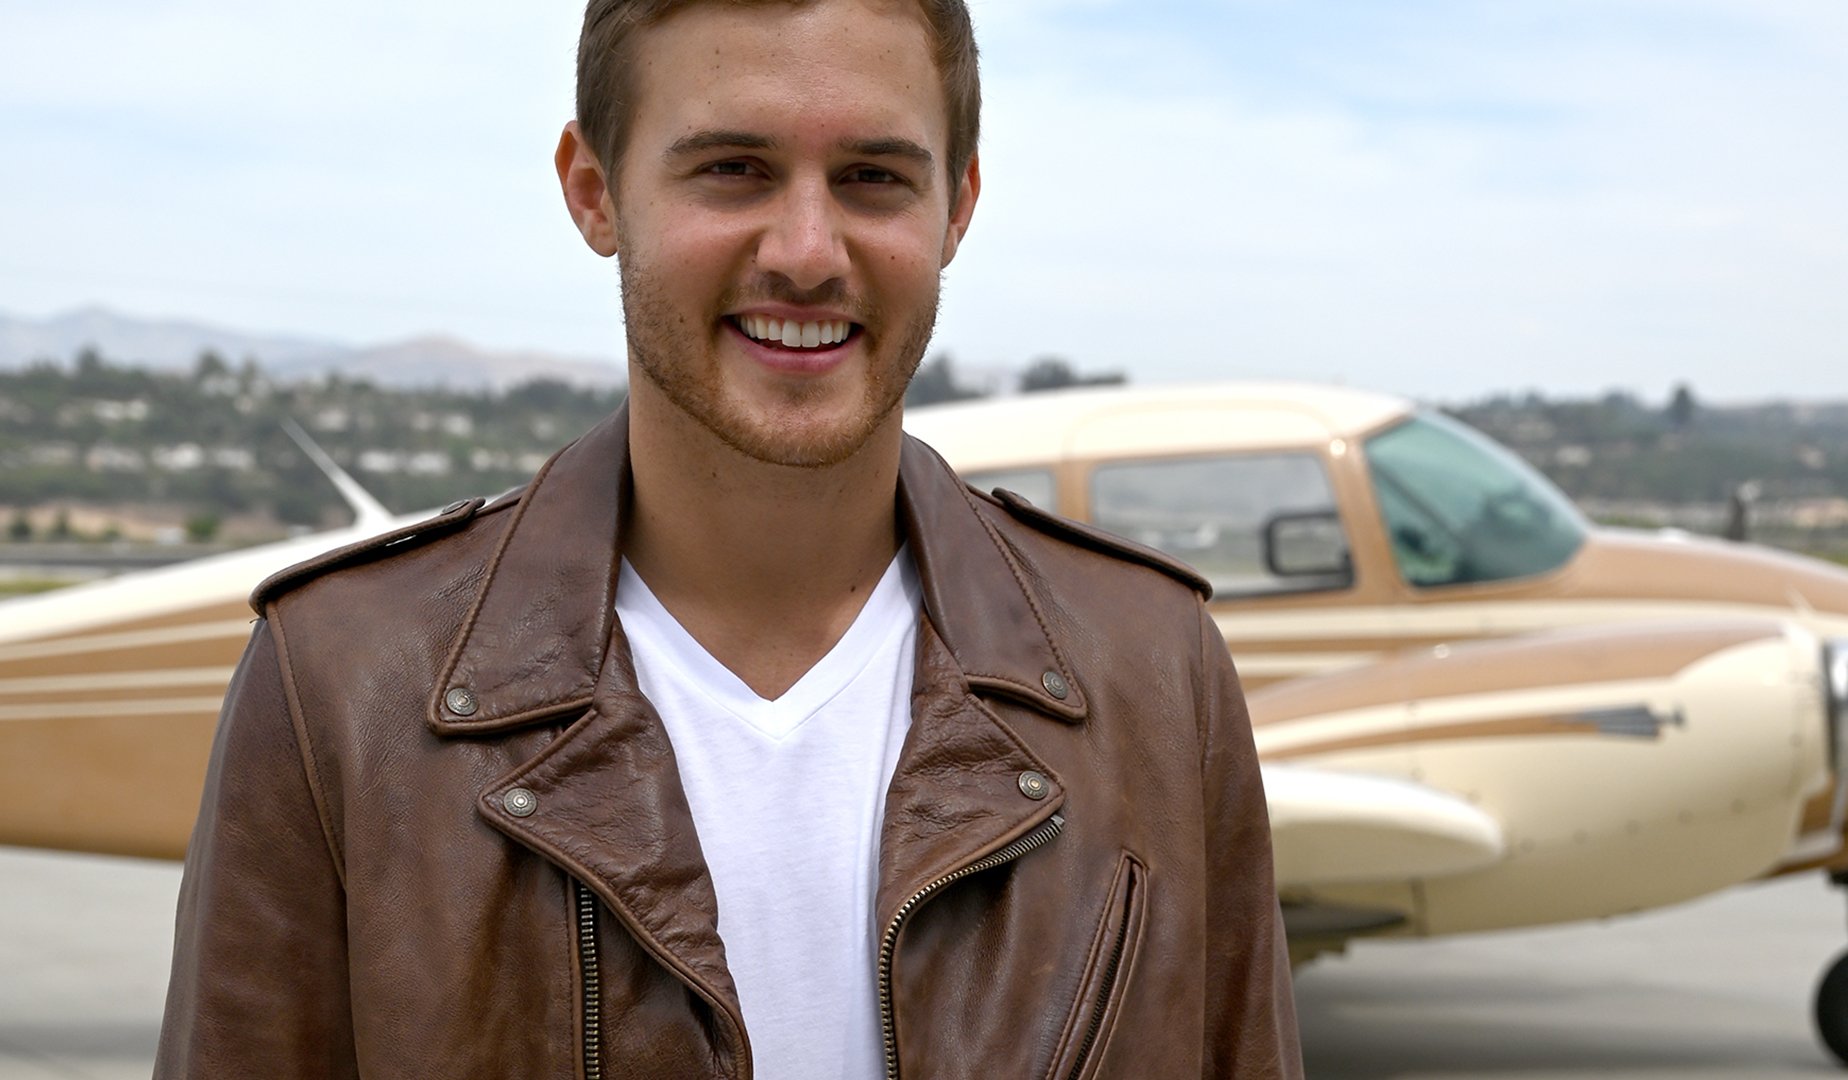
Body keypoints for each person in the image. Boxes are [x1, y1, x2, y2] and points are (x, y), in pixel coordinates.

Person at [154, 0, 1303, 1076]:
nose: (807, 251)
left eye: (872, 178)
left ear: (957, 206)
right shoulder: (338, 687)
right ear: (595, 193)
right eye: (733, 169)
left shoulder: (1158, 673)